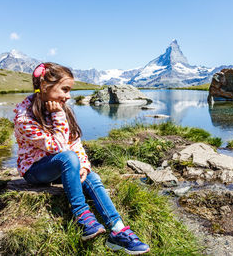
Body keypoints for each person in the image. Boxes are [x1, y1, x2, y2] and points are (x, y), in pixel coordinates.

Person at [13, 62, 150, 255]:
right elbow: (58, 148)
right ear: (44, 86)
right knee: (67, 158)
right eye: (65, 89)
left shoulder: (61, 108)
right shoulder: (24, 118)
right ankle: (83, 217)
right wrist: (59, 116)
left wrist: (84, 165)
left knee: (91, 177)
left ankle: (117, 230)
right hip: (35, 171)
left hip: (62, 166)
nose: (69, 96)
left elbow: (75, 143)